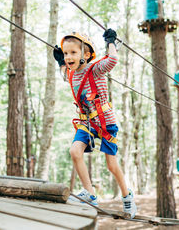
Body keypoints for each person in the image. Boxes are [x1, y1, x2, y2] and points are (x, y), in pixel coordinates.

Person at [53, 29, 137, 219]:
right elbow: (65, 75)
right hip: (87, 123)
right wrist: (60, 62)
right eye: (66, 53)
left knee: (111, 165)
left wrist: (111, 42)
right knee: (75, 152)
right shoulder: (72, 74)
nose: (68, 57)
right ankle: (90, 194)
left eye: (73, 53)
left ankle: (127, 196)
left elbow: (113, 60)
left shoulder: (96, 69)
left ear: (87, 55)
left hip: (105, 123)